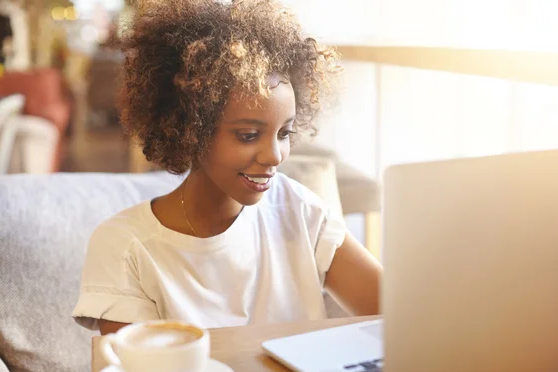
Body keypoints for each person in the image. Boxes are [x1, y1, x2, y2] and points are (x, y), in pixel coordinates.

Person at [72, 0, 382, 335]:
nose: (275, 156)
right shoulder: (124, 246)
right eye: (248, 135)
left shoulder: (298, 211)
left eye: (283, 133)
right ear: (191, 127)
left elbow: (401, 315)